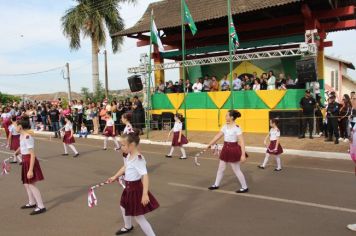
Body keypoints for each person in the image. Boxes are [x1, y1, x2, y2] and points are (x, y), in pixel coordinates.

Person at [108, 130, 159, 236]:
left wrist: (145, 194)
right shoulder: (129, 155)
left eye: (123, 145)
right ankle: (128, 226)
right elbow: (125, 167)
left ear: (131, 145)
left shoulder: (138, 159)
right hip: (128, 188)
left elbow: (145, 176)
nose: (121, 147)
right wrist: (115, 176)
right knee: (123, 206)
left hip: (135, 189)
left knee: (139, 217)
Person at [207, 110, 248, 193]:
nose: (225, 117)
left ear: (232, 117)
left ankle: (245, 187)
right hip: (225, 148)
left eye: (227, 115)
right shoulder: (225, 126)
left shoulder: (237, 128)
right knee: (221, 168)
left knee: (236, 169)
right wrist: (210, 144)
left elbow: (242, 142)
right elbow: (218, 135)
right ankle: (216, 184)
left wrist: (243, 155)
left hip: (234, 149)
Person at [14, 116, 46, 215]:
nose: (15, 127)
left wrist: (30, 170)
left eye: (16, 125)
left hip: (29, 161)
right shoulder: (21, 136)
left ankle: (41, 206)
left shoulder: (28, 137)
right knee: (26, 183)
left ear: (20, 127)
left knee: (31, 184)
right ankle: (32, 202)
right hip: (25, 160)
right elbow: (21, 146)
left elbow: (32, 154)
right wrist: (17, 152)